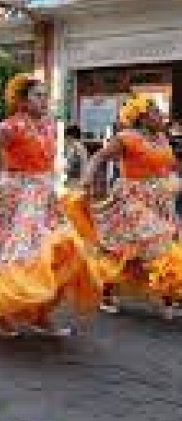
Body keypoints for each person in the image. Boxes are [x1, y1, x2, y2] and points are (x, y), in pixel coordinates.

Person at [0, 74, 100, 337]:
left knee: (61, 251)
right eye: (38, 96)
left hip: (46, 197)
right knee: (20, 255)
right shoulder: (8, 128)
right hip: (19, 197)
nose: (44, 101)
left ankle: (40, 314)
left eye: (45, 96)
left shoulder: (50, 125)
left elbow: (50, 163)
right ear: (22, 101)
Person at [66, 95, 181, 320]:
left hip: (160, 200)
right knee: (159, 242)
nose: (161, 115)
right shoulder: (125, 137)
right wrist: (87, 178)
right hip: (133, 201)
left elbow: (168, 165)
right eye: (155, 111)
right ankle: (164, 297)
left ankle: (166, 296)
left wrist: (172, 181)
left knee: (138, 252)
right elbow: (98, 157)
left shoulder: (162, 138)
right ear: (141, 117)